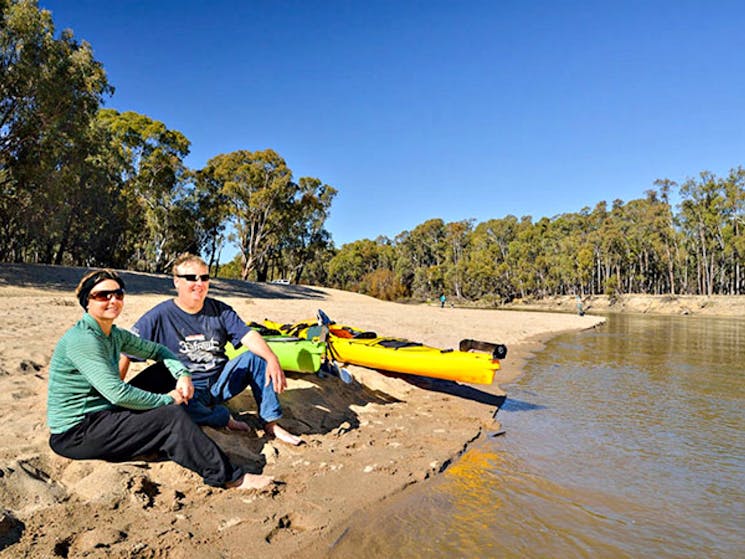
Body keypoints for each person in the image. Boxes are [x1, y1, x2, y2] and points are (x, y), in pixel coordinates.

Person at [47, 269, 271, 490]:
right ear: (87, 302)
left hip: (105, 413)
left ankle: (179, 431)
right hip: (77, 432)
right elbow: (117, 393)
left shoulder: (113, 334)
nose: (113, 300)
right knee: (170, 416)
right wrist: (167, 400)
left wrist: (182, 374)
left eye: (118, 294)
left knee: (163, 372)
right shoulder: (84, 339)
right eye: (103, 295)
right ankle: (229, 476)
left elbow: (160, 351)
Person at [119, 253, 302, 446]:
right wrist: (112, 394)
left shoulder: (220, 310)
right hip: (186, 389)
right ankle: (223, 417)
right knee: (171, 408)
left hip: (220, 382)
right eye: (191, 278)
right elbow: (126, 352)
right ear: (176, 282)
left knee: (258, 358)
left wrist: (272, 358)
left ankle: (270, 423)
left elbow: (249, 336)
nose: (199, 283)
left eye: (204, 278)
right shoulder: (158, 316)